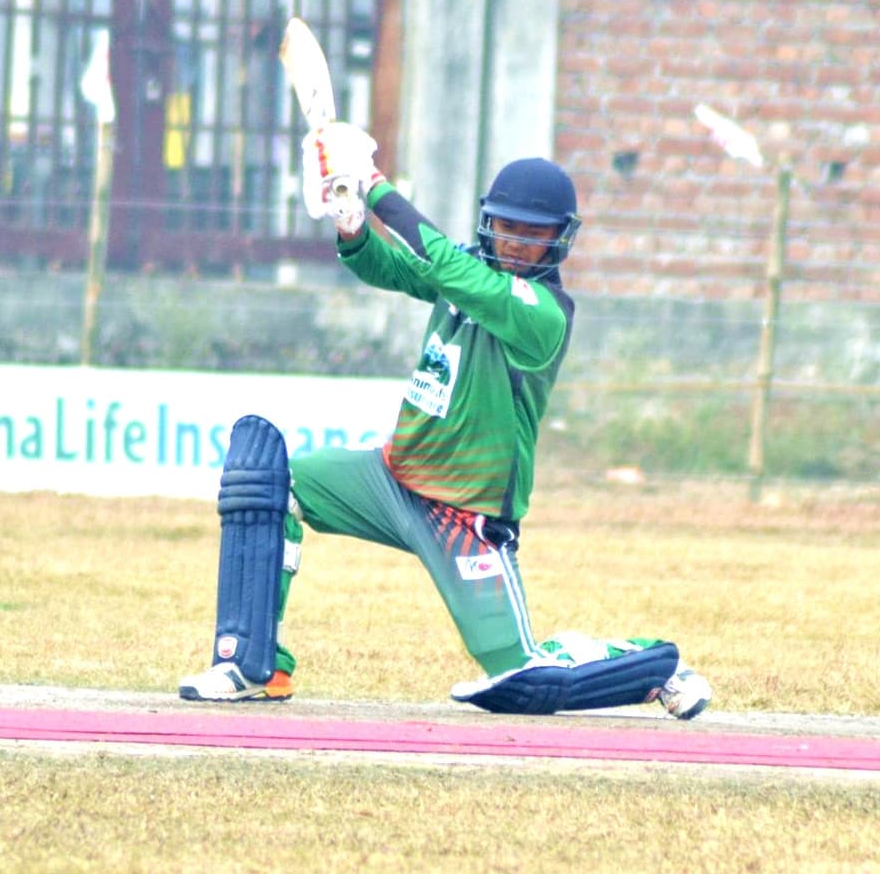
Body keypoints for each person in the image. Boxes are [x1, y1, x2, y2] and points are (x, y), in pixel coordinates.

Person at [178, 122, 710, 719]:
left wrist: (376, 186)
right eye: (506, 228)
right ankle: (253, 665)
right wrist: (352, 224)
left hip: (464, 516)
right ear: (489, 222)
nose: (515, 244)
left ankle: (656, 666)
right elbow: (389, 268)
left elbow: (448, 271)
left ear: (559, 241)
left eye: (533, 236)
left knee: (522, 677)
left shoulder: (543, 314)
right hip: (391, 480)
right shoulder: (465, 270)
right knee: (268, 482)